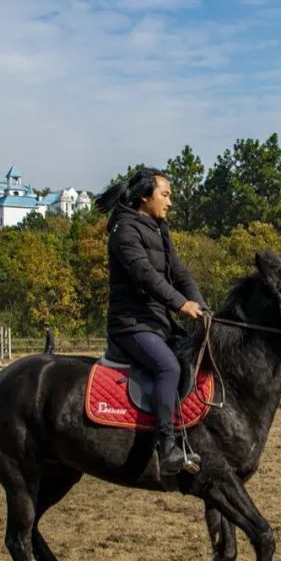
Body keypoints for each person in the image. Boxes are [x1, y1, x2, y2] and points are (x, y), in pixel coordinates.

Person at [96, 167, 207, 477]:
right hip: (130, 323)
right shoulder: (124, 230)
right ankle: (166, 446)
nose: (170, 202)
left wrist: (201, 305)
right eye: (165, 195)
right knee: (168, 366)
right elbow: (144, 274)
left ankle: (191, 434)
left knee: (191, 356)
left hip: (158, 321)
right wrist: (180, 304)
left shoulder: (160, 228)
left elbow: (180, 273)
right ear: (145, 197)